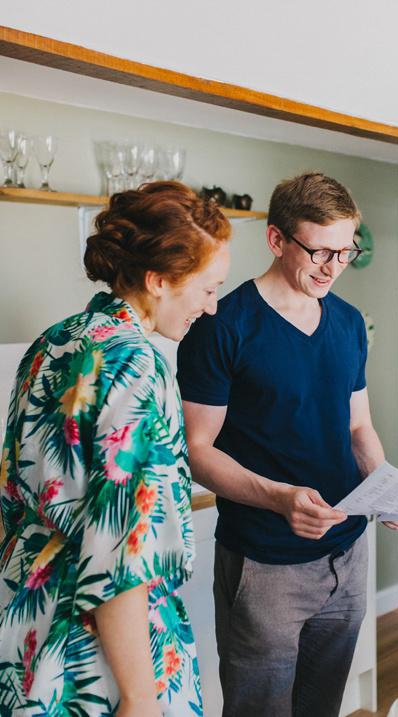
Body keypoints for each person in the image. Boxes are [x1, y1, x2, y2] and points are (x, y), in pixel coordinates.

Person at [177, 172, 398, 717]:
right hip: (265, 564)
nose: (332, 268)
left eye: (344, 252)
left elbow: (356, 428)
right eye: (319, 251)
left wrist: (385, 482)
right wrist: (280, 498)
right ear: (277, 239)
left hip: (348, 555)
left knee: (321, 708)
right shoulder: (222, 325)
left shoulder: (349, 323)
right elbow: (197, 449)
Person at [0, 182, 232, 716]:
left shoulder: (54, 341)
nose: (212, 307)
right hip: (99, 652)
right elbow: (121, 552)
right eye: (206, 288)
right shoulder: (137, 367)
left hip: (26, 619)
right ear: (157, 281)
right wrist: (140, 696)